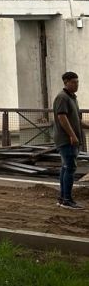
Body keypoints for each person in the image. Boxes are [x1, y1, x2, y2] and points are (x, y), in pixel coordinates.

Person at [53, 71, 89, 209]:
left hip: (71, 139)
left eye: (77, 82)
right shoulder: (62, 97)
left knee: (66, 167)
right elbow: (62, 117)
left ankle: (62, 198)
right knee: (70, 167)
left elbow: (76, 120)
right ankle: (67, 200)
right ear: (66, 82)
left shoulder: (72, 98)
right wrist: (72, 135)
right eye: (74, 82)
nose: (76, 84)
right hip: (66, 139)